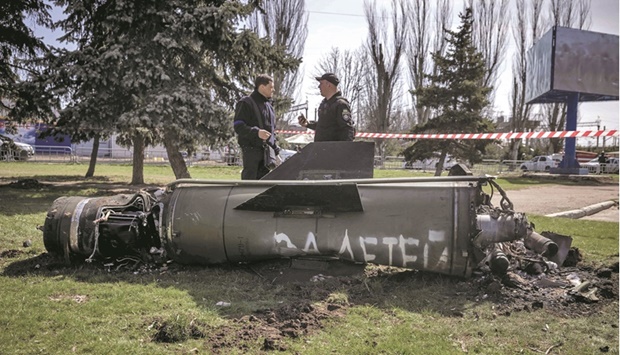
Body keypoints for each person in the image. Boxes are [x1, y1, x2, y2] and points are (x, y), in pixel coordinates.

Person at [233, 74, 280, 180]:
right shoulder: (245, 103)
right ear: (262, 87)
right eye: (271, 87)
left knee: (264, 186)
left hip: (267, 154)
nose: (273, 90)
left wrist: (276, 151)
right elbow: (238, 126)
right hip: (251, 150)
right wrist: (256, 132)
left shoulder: (269, 107)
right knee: (249, 185)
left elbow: (272, 131)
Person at [297, 73, 355, 141]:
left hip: (333, 149)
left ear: (329, 85)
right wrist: (308, 124)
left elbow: (347, 129)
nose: (319, 86)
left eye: (321, 83)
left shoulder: (340, 104)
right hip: (321, 148)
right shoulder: (324, 104)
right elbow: (325, 127)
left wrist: (344, 149)